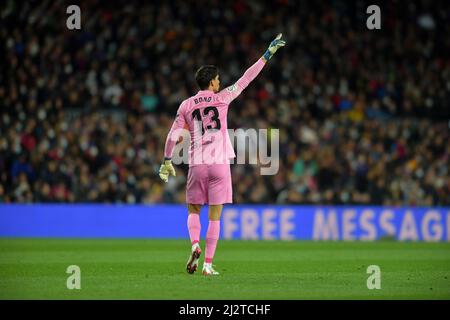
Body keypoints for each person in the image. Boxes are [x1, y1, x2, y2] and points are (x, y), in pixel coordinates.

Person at [159, 34, 286, 275]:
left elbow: (172, 136)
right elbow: (247, 78)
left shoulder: (186, 105)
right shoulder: (223, 98)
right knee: (215, 217)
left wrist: (167, 160)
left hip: (197, 164)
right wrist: (267, 54)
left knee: (194, 210)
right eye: (218, 79)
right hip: (219, 164)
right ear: (213, 83)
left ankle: (195, 244)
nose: (219, 82)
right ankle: (207, 264)